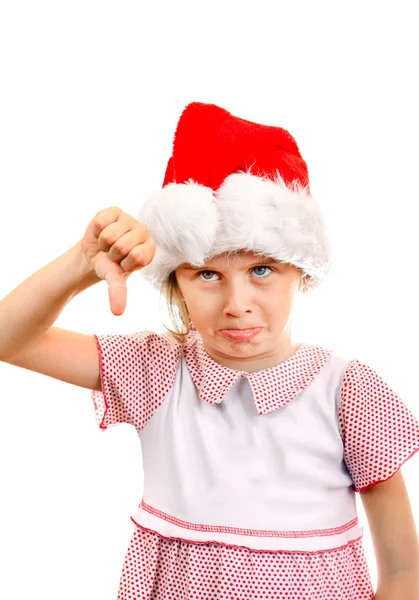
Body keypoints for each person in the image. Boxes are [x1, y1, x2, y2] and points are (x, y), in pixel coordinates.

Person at [1, 101, 418, 600]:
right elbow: (10, 340)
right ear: (177, 281)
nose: (236, 305)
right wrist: (80, 265)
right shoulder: (154, 370)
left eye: (261, 270)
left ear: (300, 272)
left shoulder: (348, 391)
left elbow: (402, 572)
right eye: (207, 275)